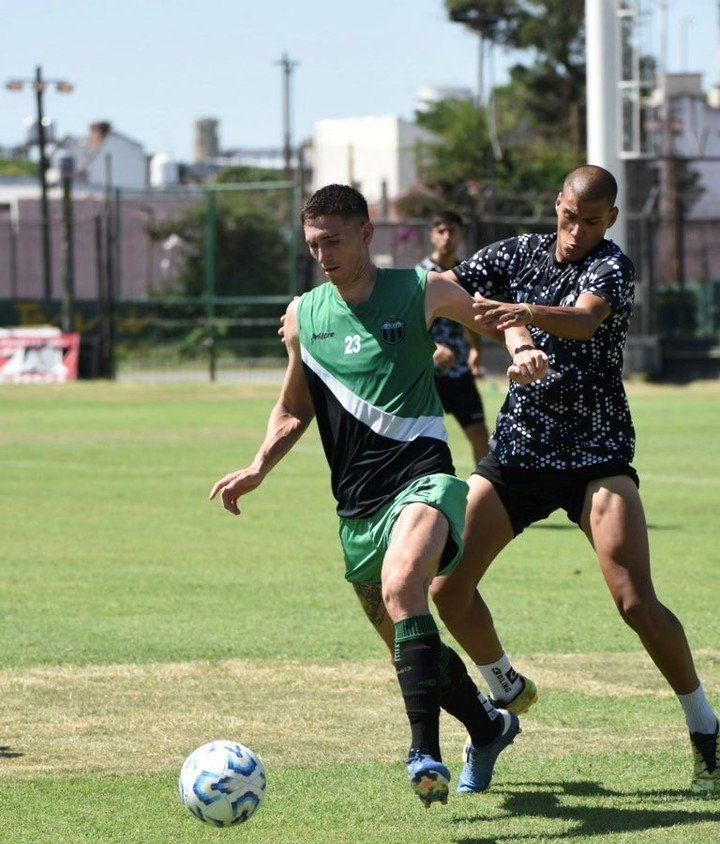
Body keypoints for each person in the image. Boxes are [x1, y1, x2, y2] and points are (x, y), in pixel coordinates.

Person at [210, 184, 547, 808]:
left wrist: (524, 349)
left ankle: (424, 751)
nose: (323, 255)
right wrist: (258, 466)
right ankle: (489, 724)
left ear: (367, 234)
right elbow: (292, 407)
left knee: (403, 587)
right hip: (356, 507)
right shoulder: (302, 316)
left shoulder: (423, 289)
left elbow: (494, 317)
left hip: (424, 481)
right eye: (313, 244)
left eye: (333, 241)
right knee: (407, 637)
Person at [430, 164, 719, 796]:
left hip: (596, 453)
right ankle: (501, 699)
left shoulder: (613, 265)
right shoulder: (517, 252)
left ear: (609, 220)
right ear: (555, 203)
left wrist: (521, 312)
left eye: (591, 222)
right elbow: (441, 285)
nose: (576, 231)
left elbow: (584, 320)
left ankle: (705, 728)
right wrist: (488, 326)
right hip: (521, 450)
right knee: (447, 587)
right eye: (569, 216)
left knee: (634, 599)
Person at [416, 211, 489, 464]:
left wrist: (476, 349)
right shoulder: (420, 275)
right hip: (426, 374)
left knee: (480, 435)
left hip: (458, 371)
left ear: (460, 235)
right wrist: (432, 348)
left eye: (452, 231)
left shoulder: (467, 272)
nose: (447, 237)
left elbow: (474, 312)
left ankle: (482, 493)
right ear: (432, 236)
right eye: (441, 231)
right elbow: (409, 323)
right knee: (423, 441)